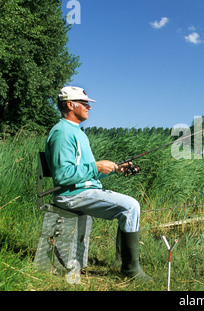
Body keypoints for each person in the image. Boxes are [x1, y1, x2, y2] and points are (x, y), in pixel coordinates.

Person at [45, 86, 151, 282]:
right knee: (131, 207)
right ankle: (131, 270)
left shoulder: (76, 132)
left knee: (128, 208)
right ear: (70, 105)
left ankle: (122, 263)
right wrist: (96, 166)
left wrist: (113, 168)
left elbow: (85, 175)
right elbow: (62, 175)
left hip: (81, 190)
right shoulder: (62, 133)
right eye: (85, 103)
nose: (89, 107)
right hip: (71, 195)